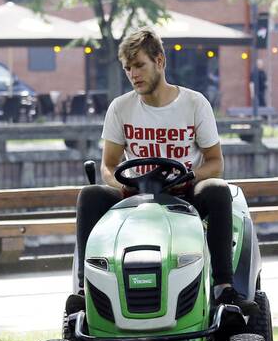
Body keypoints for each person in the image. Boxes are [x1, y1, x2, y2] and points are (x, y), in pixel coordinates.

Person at [68, 27, 257, 315]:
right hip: (137, 194)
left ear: (159, 61)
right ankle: (84, 292)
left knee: (217, 190)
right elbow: (109, 165)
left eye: (139, 65)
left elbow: (215, 161)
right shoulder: (120, 108)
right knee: (90, 195)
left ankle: (224, 287)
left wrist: (191, 176)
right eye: (128, 68)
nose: (133, 74)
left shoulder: (194, 104)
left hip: (185, 192)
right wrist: (120, 185)